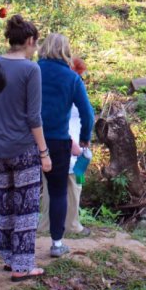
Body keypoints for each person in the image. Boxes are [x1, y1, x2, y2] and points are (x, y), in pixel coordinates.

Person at [0, 15, 50, 280]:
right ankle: (23, 266)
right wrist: (44, 152)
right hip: (23, 148)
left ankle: (8, 256)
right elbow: (33, 116)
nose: (35, 48)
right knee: (25, 207)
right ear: (28, 41)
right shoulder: (30, 69)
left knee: (4, 204)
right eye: (35, 43)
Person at [37, 34, 95, 258]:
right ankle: (57, 243)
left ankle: (16, 245)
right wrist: (84, 138)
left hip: (28, 140)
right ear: (65, 51)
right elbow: (87, 113)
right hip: (59, 141)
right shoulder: (71, 78)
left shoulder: (33, 71)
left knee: (28, 190)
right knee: (58, 191)